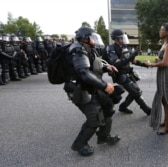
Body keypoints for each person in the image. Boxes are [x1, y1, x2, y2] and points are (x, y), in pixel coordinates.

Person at [63, 27, 122, 157]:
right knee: (94, 118)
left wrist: (107, 67)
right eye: (93, 37)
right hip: (80, 90)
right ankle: (79, 145)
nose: (95, 40)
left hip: (92, 87)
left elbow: (93, 67)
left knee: (108, 108)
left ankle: (103, 136)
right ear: (85, 38)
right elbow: (84, 73)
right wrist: (105, 85)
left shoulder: (88, 49)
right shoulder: (78, 50)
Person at [103, 29, 151, 115]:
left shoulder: (125, 47)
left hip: (129, 73)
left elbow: (133, 61)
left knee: (136, 92)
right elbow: (117, 64)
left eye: (123, 38)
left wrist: (145, 65)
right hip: (120, 75)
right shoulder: (111, 49)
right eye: (121, 38)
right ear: (115, 39)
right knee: (136, 93)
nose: (123, 39)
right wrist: (130, 56)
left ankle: (123, 107)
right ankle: (147, 110)